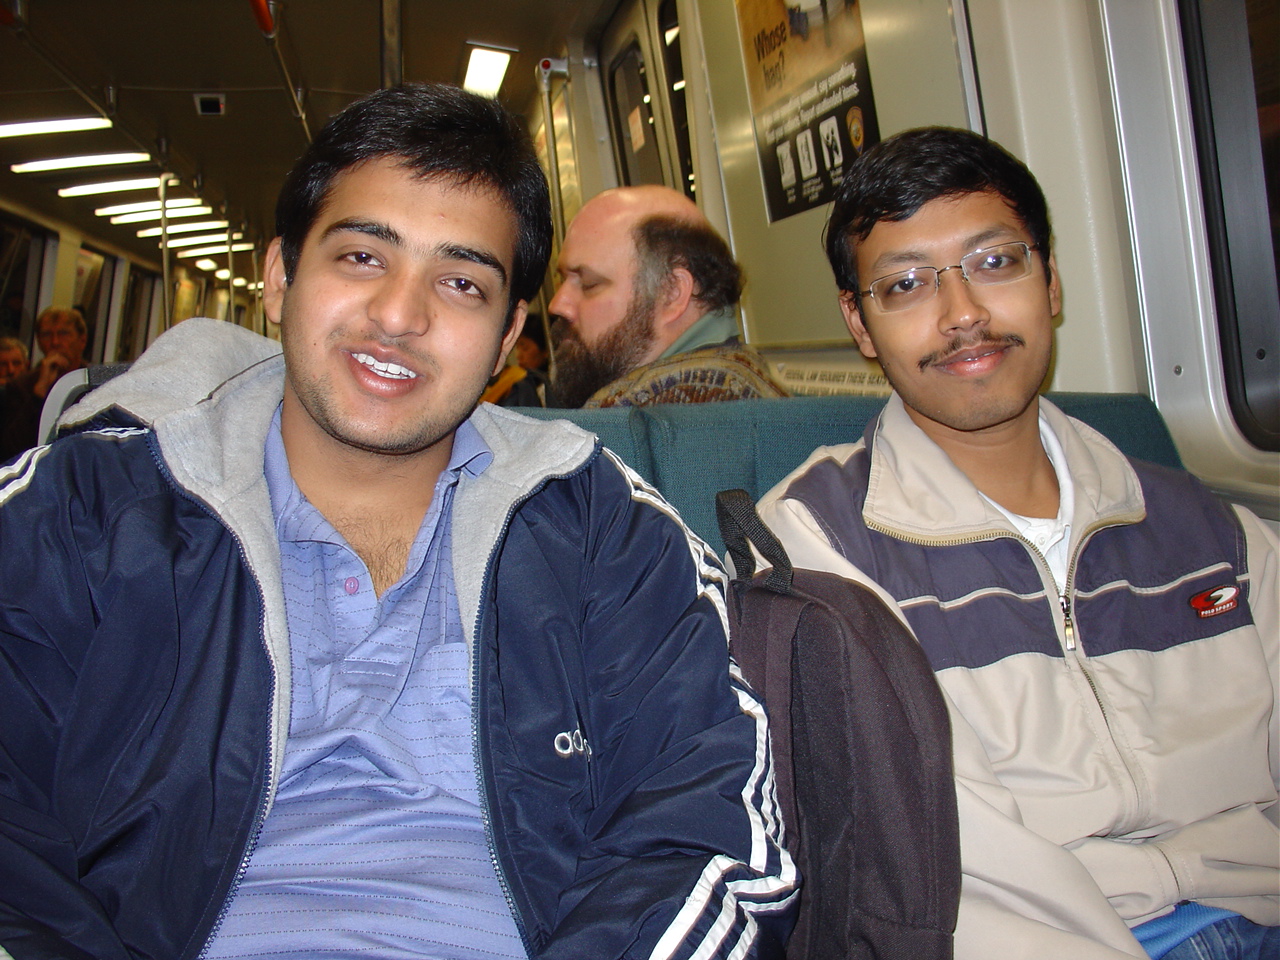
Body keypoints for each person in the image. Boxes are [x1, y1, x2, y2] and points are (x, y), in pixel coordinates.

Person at [0, 83, 796, 959]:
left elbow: (706, 827)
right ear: (279, 277)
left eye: (460, 282)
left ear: (506, 339)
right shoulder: (84, 513)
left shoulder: (602, 529)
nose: (399, 316)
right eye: (361, 257)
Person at [756, 127, 1278, 960]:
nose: (963, 314)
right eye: (906, 284)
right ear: (860, 323)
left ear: (1051, 280)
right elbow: (938, 863)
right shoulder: (819, 547)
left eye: (995, 262)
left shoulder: (1209, 529)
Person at [548, 185, 787, 407]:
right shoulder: (743, 377)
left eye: (589, 284)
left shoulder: (657, 412)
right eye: (562, 280)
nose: (557, 304)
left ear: (672, 292)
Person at [0, 308, 88, 459]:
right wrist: (38, 395)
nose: (55, 342)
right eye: (46, 335)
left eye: (63, 334)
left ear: (82, 340)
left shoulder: (94, 383)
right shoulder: (21, 385)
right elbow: (11, 449)